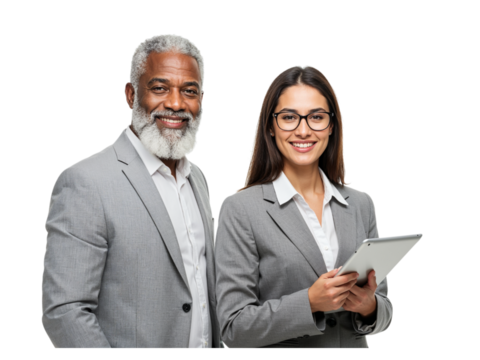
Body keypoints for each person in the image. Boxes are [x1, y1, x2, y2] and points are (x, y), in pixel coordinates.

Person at [40, 34, 219, 349]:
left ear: (201, 100)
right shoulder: (86, 182)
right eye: (160, 88)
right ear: (130, 94)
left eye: (189, 91)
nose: (176, 104)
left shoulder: (198, 178)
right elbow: (65, 312)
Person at [215, 65, 394, 349]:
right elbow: (233, 328)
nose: (303, 130)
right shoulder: (240, 210)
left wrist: (368, 307)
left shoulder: (362, 204)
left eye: (316, 117)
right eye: (289, 117)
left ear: (332, 125)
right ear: (271, 127)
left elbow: (384, 309)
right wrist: (309, 303)